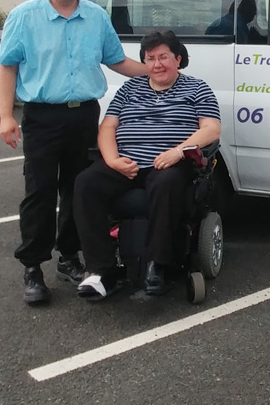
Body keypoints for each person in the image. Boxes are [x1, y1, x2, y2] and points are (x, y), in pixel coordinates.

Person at [0, 0, 148, 306]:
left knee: (77, 189)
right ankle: (33, 267)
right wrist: (6, 117)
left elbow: (117, 60)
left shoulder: (96, 17)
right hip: (42, 117)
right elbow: (7, 68)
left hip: (83, 116)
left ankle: (69, 257)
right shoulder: (24, 17)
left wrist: (156, 71)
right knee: (40, 192)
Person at [73, 30, 221, 301]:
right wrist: (112, 160)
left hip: (169, 164)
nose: (157, 64)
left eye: (163, 57)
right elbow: (108, 127)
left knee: (166, 184)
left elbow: (211, 129)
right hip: (126, 163)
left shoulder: (197, 88)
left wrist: (177, 152)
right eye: (150, 58)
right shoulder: (130, 89)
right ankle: (100, 270)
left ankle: (157, 266)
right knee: (86, 183)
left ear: (177, 59)